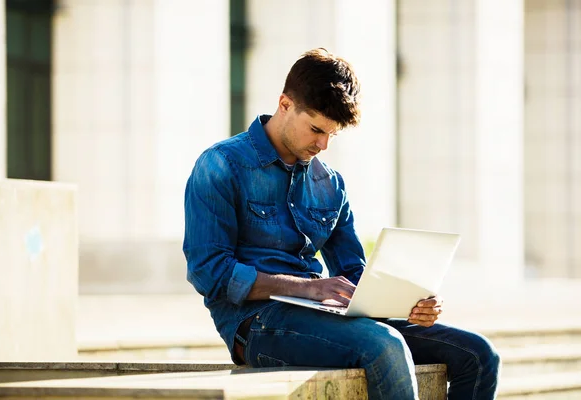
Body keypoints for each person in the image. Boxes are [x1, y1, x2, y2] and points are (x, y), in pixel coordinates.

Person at [183, 48, 500, 399]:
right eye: (316, 129)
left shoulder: (330, 184)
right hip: (256, 325)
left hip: (330, 319)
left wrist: (406, 299)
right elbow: (208, 272)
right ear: (285, 104)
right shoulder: (220, 165)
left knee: (479, 355)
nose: (323, 144)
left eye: (332, 134)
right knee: (384, 345)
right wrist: (307, 288)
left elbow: (352, 270)